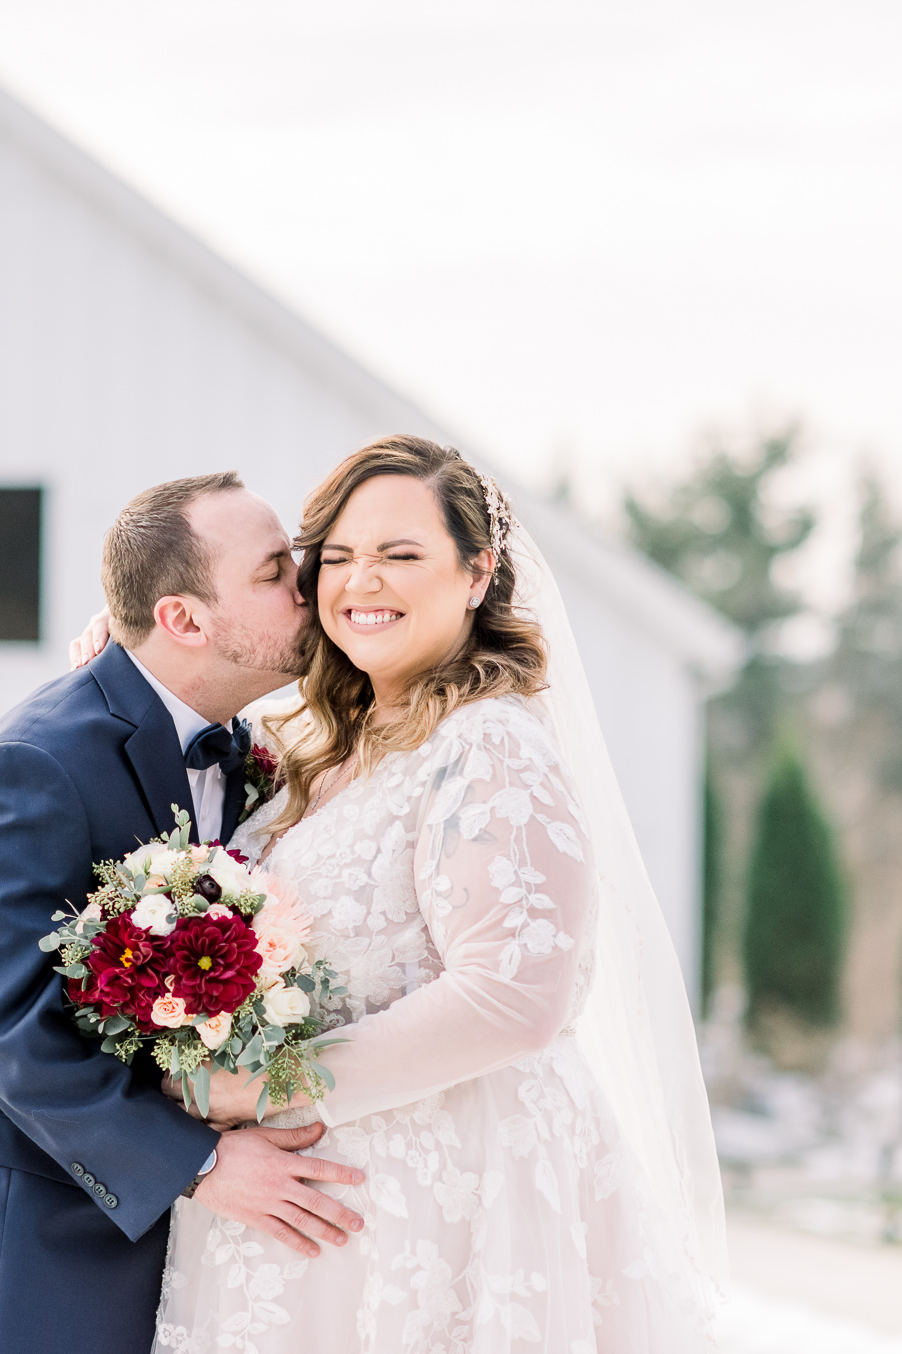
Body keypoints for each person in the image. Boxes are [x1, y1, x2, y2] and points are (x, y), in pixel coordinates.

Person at [77, 436, 726, 1352]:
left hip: (449, 1218)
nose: (359, 582)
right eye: (335, 558)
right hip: (320, 1228)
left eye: (399, 555)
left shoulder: (489, 745)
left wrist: (267, 1089)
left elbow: (513, 999)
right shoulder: (322, 747)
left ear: (478, 573)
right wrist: (131, 658)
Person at [0, 471, 369, 1354]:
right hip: (28, 1244)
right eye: (277, 571)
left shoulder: (242, 748)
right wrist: (198, 1165)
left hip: (178, 1253)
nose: (309, 588)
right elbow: (3, 1024)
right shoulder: (35, 764)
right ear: (185, 621)